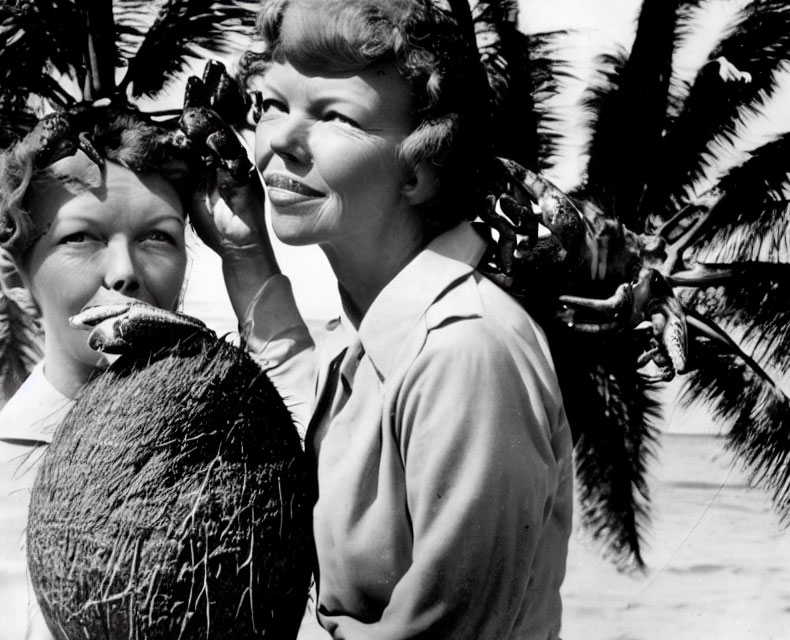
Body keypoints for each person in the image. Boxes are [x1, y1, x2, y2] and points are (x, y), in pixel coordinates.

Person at [192, 0, 575, 637]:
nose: (279, 139)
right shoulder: (377, 327)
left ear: (419, 170)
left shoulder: (464, 351)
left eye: (335, 116)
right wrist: (245, 252)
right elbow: (312, 410)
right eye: (271, 105)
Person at [0, 110, 195, 640]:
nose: (125, 273)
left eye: (158, 237)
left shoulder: (235, 460)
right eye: (82, 238)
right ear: (14, 277)